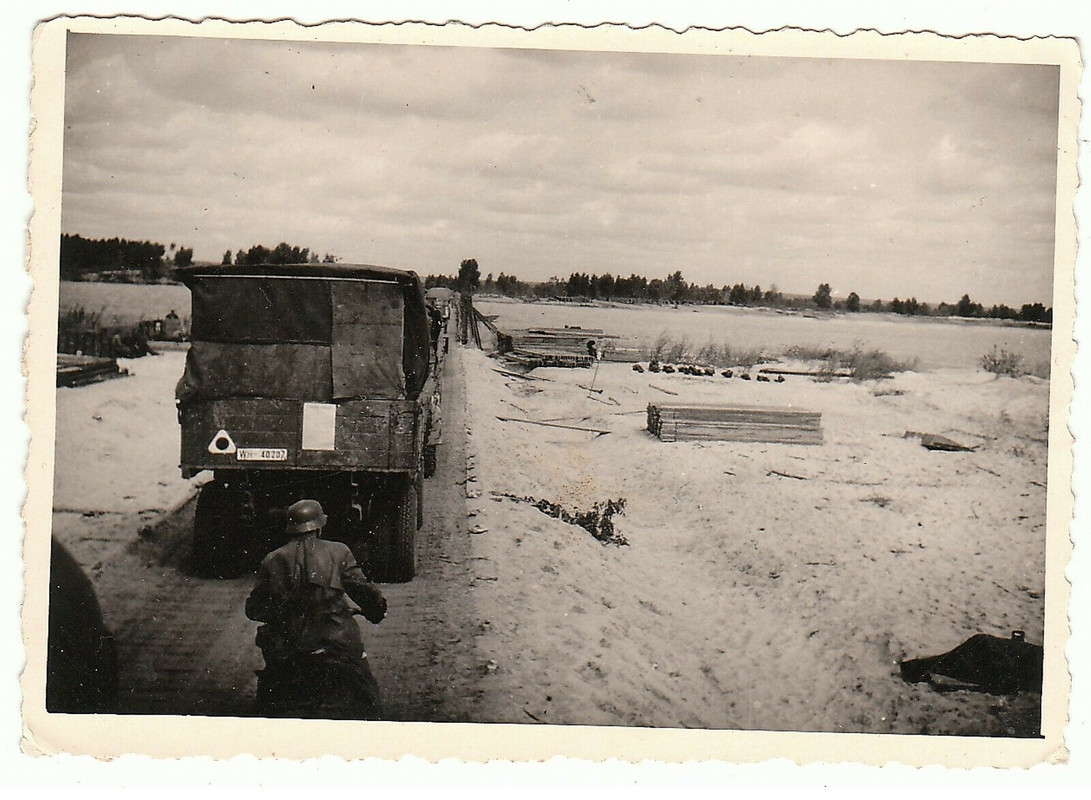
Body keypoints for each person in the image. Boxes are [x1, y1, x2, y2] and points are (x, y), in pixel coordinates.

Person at [245, 499, 387, 719]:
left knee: (267, 700)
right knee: (367, 695)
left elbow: (253, 609)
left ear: (290, 529)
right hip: (337, 640)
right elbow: (363, 590)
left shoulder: (271, 560)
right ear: (320, 526)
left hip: (290, 646)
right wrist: (376, 610)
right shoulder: (339, 552)